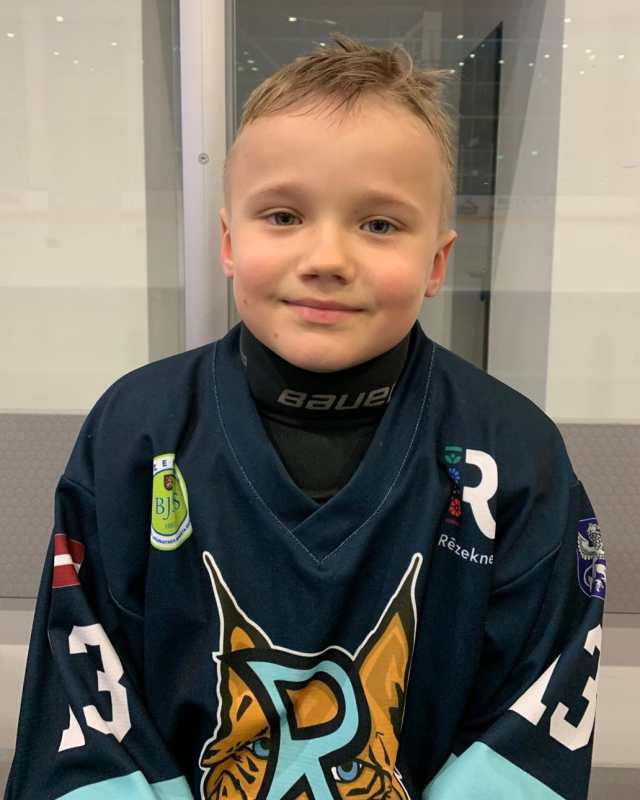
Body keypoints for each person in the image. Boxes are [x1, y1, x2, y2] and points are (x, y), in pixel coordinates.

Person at [5, 32, 606, 800]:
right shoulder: (135, 433)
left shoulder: (516, 457)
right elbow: (84, 705)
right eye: (284, 215)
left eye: (379, 224)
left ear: (437, 262)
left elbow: (531, 730)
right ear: (229, 242)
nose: (326, 258)